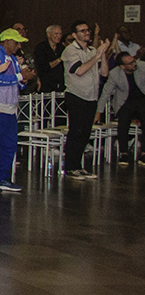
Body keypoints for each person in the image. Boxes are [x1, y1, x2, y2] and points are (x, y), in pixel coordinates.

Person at [61, 21, 112, 180]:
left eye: (87, 30)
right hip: (76, 95)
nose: (87, 33)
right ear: (75, 35)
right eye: (82, 31)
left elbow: (104, 73)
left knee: (85, 133)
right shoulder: (70, 50)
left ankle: (78, 166)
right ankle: (70, 167)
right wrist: (96, 55)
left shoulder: (91, 50)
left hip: (91, 96)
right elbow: (80, 70)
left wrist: (102, 55)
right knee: (76, 131)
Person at [0, 28, 27, 193]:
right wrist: (19, 77)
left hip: (11, 109)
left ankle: (2, 177)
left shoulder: (13, 59)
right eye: (16, 42)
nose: (18, 45)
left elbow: (19, 82)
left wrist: (24, 78)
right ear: (6, 41)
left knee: (10, 146)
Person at [97, 52, 145, 165]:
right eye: (130, 63)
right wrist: (99, 111)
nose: (134, 64)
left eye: (134, 61)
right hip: (125, 101)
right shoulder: (114, 74)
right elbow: (106, 92)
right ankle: (124, 153)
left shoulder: (142, 66)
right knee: (123, 122)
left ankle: (143, 153)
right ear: (123, 66)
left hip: (142, 99)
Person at [32, 24, 65, 93]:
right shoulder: (40, 47)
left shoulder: (62, 48)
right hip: (46, 84)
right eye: (56, 34)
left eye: (60, 34)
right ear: (48, 34)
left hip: (61, 84)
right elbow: (44, 66)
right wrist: (60, 59)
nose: (58, 36)